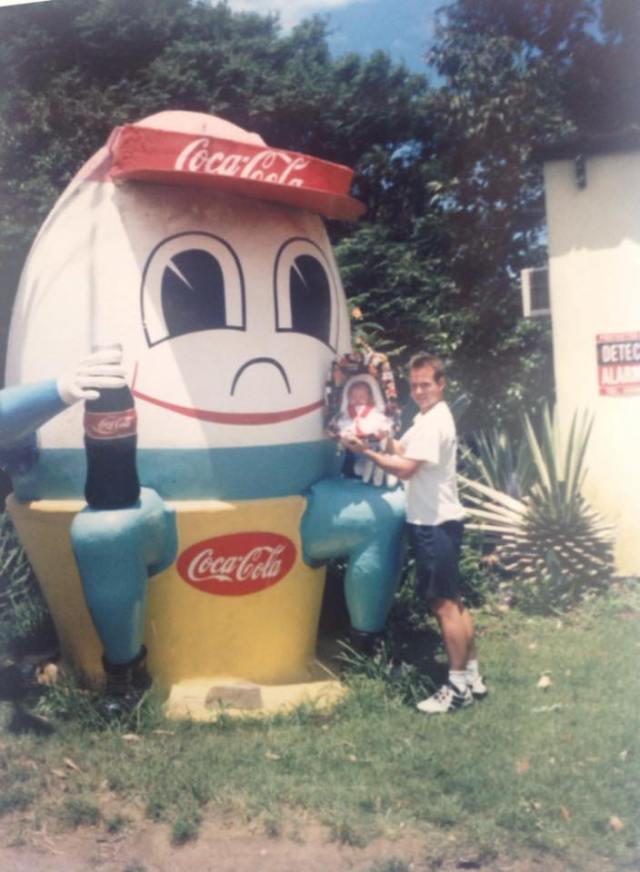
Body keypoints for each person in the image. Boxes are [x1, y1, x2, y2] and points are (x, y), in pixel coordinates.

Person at [342, 352, 487, 714]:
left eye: (427, 384)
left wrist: (366, 453)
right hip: (439, 520)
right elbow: (402, 448)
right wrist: (380, 436)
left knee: (443, 606)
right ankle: (471, 675)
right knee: (453, 600)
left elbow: (405, 468)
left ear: (441, 383)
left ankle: (456, 688)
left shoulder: (436, 421)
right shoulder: (425, 417)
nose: (420, 391)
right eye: (415, 385)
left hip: (434, 523)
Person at [330, 377, 393, 485]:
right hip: (353, 439)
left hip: (371, 440)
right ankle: (355, 470)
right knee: (352, 461)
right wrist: (342, 432)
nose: (358, 399)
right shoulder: (347, 411)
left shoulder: (372, 410)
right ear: (348, 397)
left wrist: (383, 429)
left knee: (376, 450)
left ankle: (380, 468)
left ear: (369, 397)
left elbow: (381, 420)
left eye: (361, 396)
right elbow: (342, 422)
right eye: (354, 397)